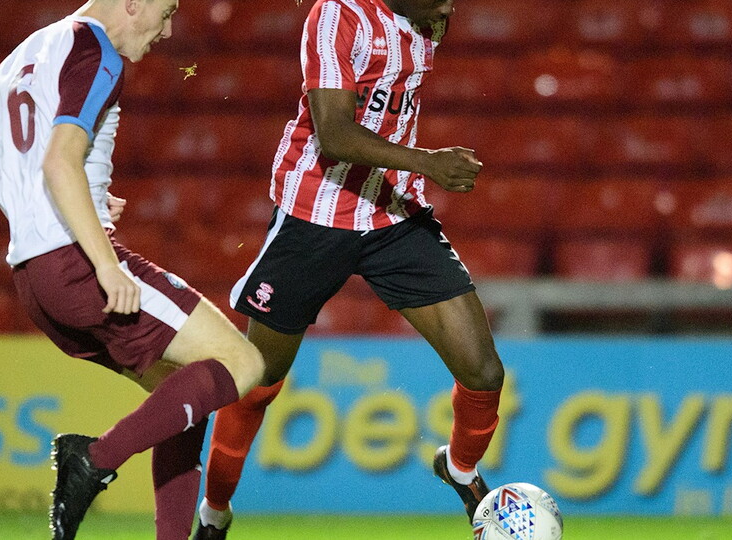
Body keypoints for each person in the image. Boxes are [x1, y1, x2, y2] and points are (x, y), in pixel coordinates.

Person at [0, 1, 263, 539]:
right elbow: (59, 161)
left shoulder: (25, 54)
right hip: (78, 266)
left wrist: (64, 203)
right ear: (134, 3)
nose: (167, 31)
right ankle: (92, 459)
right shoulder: (96, 51)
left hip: (34, 279)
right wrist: (105, 263)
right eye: (166, 12)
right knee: (243, 363)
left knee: (182, 398)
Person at [194, 0, 504, 537]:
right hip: (313, 217)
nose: (450, 5)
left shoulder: (429, 19)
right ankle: (214, 514)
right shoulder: (337, 16)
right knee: (258, 381)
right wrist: (428, 162)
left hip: (392, 214)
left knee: (484, 372)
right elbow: (334, 135)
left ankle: (458, 470)